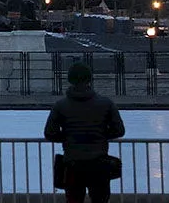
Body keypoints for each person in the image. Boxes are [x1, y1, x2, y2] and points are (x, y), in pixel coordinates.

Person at [44, 62, 126, 203]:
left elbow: (49, 133)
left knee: (74, 199)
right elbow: (119, 130)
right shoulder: (106, 103)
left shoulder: (60, 105)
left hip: (73, 163)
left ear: (70, 80)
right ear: (89, 79)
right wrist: (100, 135)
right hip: (99, 163)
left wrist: (69, 137)